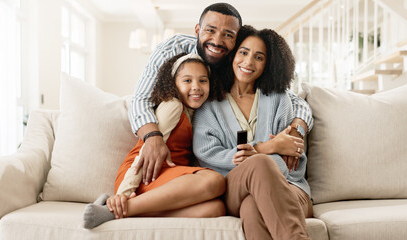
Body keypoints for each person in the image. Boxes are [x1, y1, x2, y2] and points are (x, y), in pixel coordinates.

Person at [128, 3, 313, 187]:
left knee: (215, 202)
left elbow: (295, 100)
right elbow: (140, 100)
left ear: (236, 40)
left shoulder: (232, 62)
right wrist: (153, 137)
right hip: (172, 147)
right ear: (197, 29)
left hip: (206, 167)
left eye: (228, 35)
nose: (217, 41)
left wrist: (295, 131)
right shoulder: (173, 49)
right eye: (210, 30)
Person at [193, 25, 313, 240]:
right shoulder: (209, 102)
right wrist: (261, 151)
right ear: (232, 54)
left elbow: (290, 161)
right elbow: (206, 154)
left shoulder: (279, 98)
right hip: (233, 187)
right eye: (243, 52)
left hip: (290, 189)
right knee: (259, 163)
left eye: (259, 57)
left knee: (252, 207)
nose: (248, 62)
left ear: (268, 64)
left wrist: (258, 155)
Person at [83, 53, 226, 229]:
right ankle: (117, 206)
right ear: (174, 84)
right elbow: (147, 152)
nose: (196, 87)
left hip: (172, 181)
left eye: (203, 81)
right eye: (187, 81)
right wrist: (124, 193)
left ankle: (119, 210)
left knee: (215, 208)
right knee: (214, 180)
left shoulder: (199, 112)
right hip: (145, 173)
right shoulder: (173, 106)